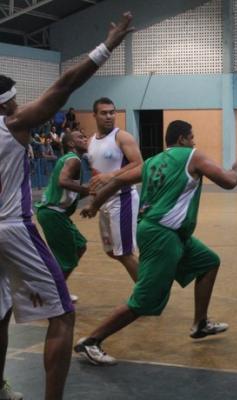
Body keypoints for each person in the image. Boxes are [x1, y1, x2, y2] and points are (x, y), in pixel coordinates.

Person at [0, 12, 133, 400]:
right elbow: (64, 84)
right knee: (63, 316)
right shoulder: (13, 123)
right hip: (12, 227)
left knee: (2, 309)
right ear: (9, 103)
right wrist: (106, 47)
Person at [74, 120, 237, 365]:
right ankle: (91, 341)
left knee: (208, 262)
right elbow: (229, 181)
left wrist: (94, 204)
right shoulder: (192, 156)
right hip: (162, 234)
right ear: (182, 140)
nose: (194, 142)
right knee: (146, 299)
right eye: (192, 137)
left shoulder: (153, 161)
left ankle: (200, 323)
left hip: (170, 233)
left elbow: (116, 182)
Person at [86, 97, 143, 282]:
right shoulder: (91, 141)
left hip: (122, 199)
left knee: (125, 253)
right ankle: (149, 282)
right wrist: (94, 200)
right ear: (94, 115)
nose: (109, 116)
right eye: (104, 113)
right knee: (112, 252)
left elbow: (139, 165)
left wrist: (111, 176)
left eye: (112, 112)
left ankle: (149, 293)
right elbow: (96, 172)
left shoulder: (122, 137)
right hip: (104, 202)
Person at [35, 130, 90, 303]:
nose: (85, 138)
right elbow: (62, 181)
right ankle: (52, 294)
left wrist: (91, 193)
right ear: (71, 144)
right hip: (53, 213)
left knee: (80, 246)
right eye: (80, 137)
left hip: (56, 214)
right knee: (67, 260)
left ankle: (56, 289)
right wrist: (88, 190)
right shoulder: (73, 160)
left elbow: (68, 191)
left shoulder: (70, 160)